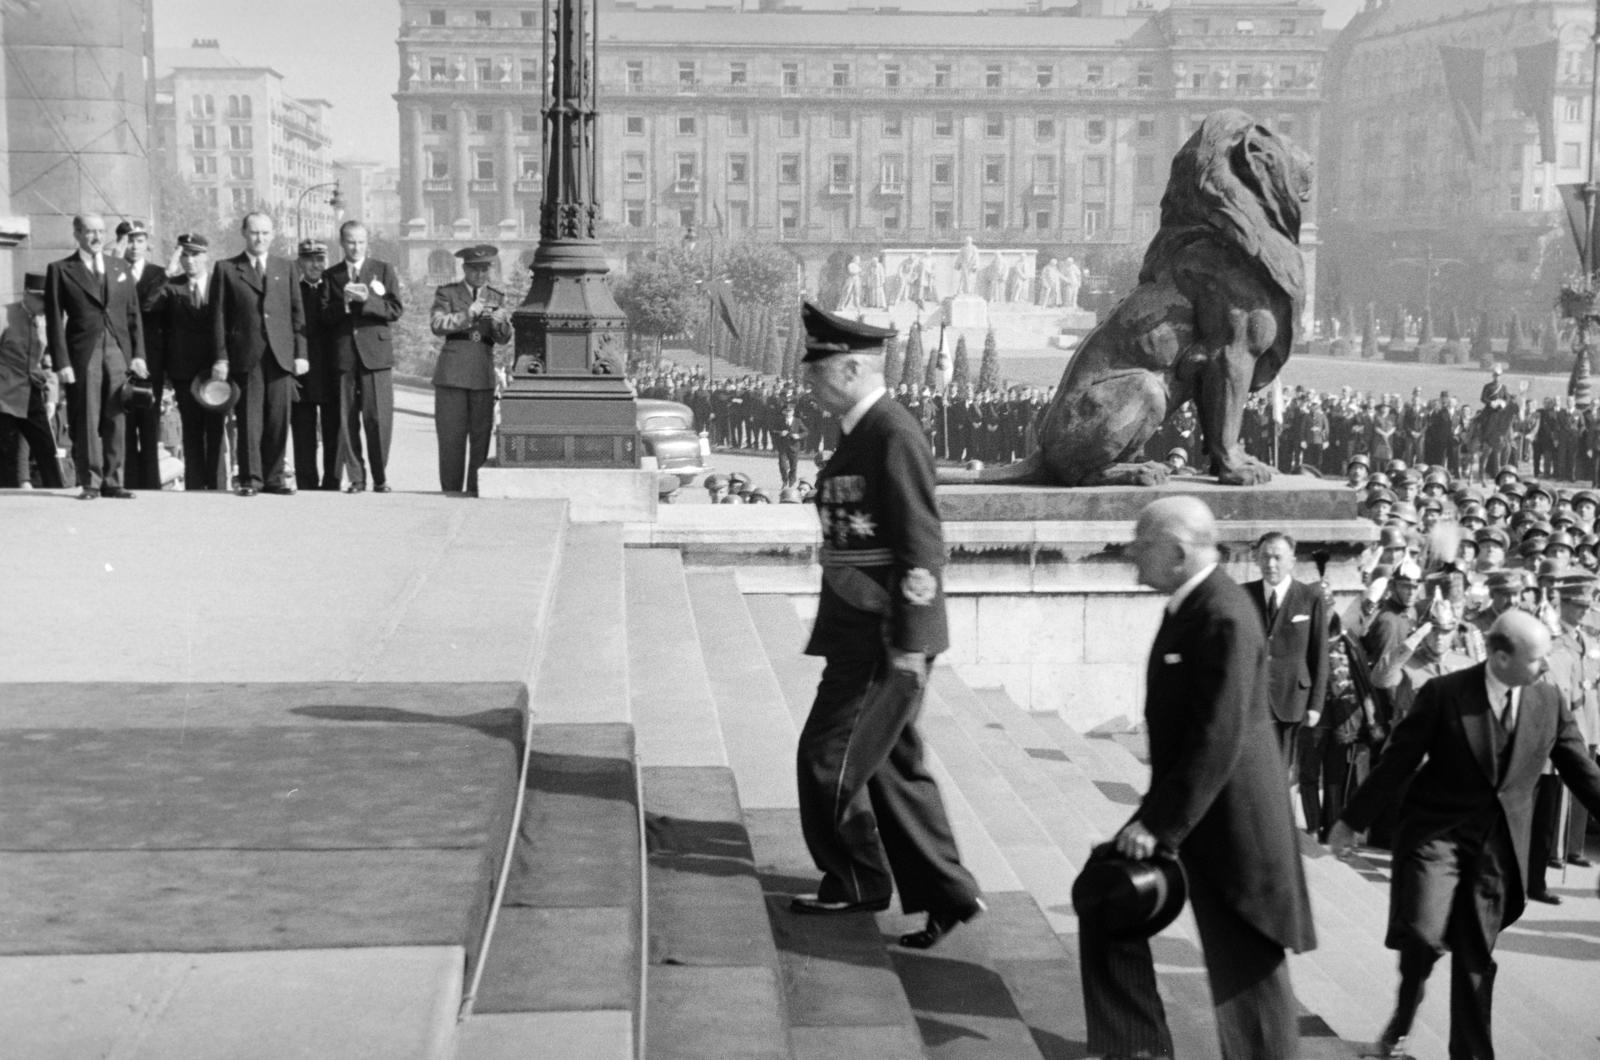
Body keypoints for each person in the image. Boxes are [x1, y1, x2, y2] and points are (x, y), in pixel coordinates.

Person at [1087, 496, 1315, 1060]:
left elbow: (1218, 735)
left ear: (1177, 551)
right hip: (1201, 810)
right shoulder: (1195, 604)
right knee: (1105, 896)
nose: (1131, 556)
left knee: (1249, 975)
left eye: (1142, 546)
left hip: (1234, 825)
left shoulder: (1223, 614)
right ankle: (1133, 1045)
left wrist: (1158, 825)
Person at [789, 300, 985, 951]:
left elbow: (922, 545)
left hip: (883, 640)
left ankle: (853, 879)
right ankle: (948, 895)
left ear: (847, 369)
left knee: (828, 759)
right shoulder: (863, 429)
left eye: (815, 372)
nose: (807, 383)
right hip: (860, 631)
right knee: (893, 773)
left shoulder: (891, 432)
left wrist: (908, 646)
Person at [1331, 610, 1600, 1060]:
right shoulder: (1445, 693)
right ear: (1499, 658)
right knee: (1422, 933)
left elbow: (1581, 770)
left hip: (1497, 849)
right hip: (1436, 837)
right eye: (1536, 659)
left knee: (1475, 956)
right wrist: (1351, 820)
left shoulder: (1548, 700)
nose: (1545, 667)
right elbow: (1397, 760)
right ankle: (1404, 1011)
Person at [44, 213, 147, 499]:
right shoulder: (61, 269)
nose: (97, 237)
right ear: (76, 234)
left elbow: (133, 314)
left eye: (101, 231)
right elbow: (54, 320)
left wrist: (138, 355)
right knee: (87, 415)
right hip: (84, 352)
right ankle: (90, 481)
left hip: (117, 350)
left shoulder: (119, 266)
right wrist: (61, 363)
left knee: (117, 414)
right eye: (90, 231)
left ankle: (114, 481)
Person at [210, 211, 308, 496]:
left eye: (265, 233)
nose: (260, 238)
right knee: (250, 420)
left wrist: (301, 354)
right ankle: (251, 479)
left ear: (273, 235)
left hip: (281, 356)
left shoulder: (286, 267)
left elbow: (297, 315)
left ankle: (275, 477)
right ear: (244, 233)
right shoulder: (227, 269)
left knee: (279, 417)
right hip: (246, 355)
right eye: (254, 232)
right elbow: (218, 318)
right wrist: (221, 357)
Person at [323, 220, 403, 493]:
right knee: (347, 419)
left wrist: (366, 301)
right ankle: (356, 477)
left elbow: (395, 309)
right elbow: (323, 317)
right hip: (344, 356)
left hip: (376, 355)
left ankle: (380, 477)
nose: (356, 247)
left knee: (378, 418)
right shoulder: (331, 275)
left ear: (368, 243)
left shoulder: (382, 269)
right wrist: (344, 305)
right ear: (341, 243)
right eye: (350, 242)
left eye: (360, 242)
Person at [143, 234, 226, 490]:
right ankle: (194, 485)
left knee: (216, 430)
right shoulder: (171, 286)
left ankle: (217, 484)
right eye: (185, 255)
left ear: (206, 255)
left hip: (215, 370)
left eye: (195, 254)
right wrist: (167, 272)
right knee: (190, 430)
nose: (190, 261)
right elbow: (147, 305)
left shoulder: (219, 284)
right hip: (184, 370)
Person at [429, 244, 511, 494]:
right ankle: (451, 492)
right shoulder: (448, 293)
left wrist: (502, 325)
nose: (480, 274)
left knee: (480, 438)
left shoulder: (496, 297)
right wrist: (467, 313)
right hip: (452, 373)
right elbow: (437, 323)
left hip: (481, 373)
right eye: (475, 269)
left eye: (485, 269)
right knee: (451, 439)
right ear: (464, 268)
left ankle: (475, 491)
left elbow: (503, 339)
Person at [1244, 531, 1328, 774]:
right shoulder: (1243, 595)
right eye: (1265, 557)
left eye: (1277, 558)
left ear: (1291, 561)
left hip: (1292, 700)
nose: (1271, 564)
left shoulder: (1310, 597)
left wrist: (1316, 705)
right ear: (1256, 560)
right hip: (1253, 701)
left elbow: (1319, 653)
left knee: (1281, 774)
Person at [0, 272, 65, 488]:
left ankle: (56, 493)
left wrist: (51, 399)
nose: (45, 304)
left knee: (47, 448)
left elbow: (50, 361)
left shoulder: (48, 321)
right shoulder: (4, 315)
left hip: (32, 393)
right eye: (40, 298)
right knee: (6, 451)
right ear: (26, 294)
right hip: (4, 394)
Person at [287, 240, 342, 490]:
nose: (315, 265)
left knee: (333, 432)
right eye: (309, 259)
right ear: (300, 261)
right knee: (303, 433)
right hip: (302, 372)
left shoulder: (335, 291)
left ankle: (332, 481)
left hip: (330, 371)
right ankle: (307, 482)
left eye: (320, 259)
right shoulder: (291, 292)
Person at [119, 220, 169, 490]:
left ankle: (151, 483)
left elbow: (151, 310)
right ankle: (126, 481)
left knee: (149, 423)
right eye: (128, 239)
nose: (134, 246)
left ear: (147, 243)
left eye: (139, 240)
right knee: (124, 421)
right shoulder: (110, 272)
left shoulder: (160, 273)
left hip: (151, 360)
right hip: (120, 356)